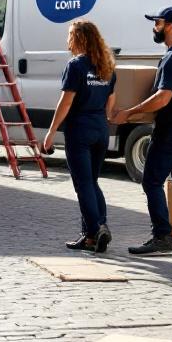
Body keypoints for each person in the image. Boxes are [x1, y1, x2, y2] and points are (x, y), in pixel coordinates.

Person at [111, 7, 172, 256]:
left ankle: (162, 237)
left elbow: (162, 98)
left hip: (171, 129)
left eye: (158, 23)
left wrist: (128, 112)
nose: (154, 27)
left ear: (170, 26)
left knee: (151, 181)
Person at [42, 20, 118, 253]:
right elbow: (110, 104)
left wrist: (51, 132)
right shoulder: (107, 66)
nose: (67, 41)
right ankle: (92, 235)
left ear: (79, 39)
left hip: (80, 130)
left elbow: (66, 102)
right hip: (100, 130)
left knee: (83, 184)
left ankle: (96, 229)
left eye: (70, 36)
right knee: (92, 182)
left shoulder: (75, 65)